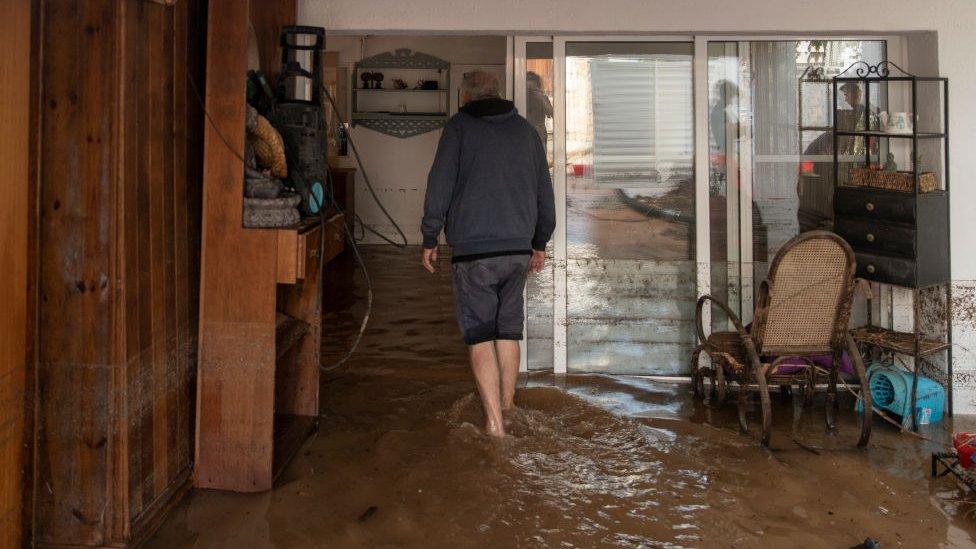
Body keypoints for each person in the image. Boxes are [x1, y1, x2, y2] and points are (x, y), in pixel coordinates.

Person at [420, 70, 556, 438]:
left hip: (474, 253)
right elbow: (545, 192)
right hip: (516, 251)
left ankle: (494, 426)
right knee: (508, 332)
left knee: (480, 336)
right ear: (497, 93)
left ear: (465, 98)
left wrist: (429, 236)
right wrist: (540, 242)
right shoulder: (527, 132)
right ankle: (509, 409)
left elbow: (440, 183)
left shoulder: (458, 129)